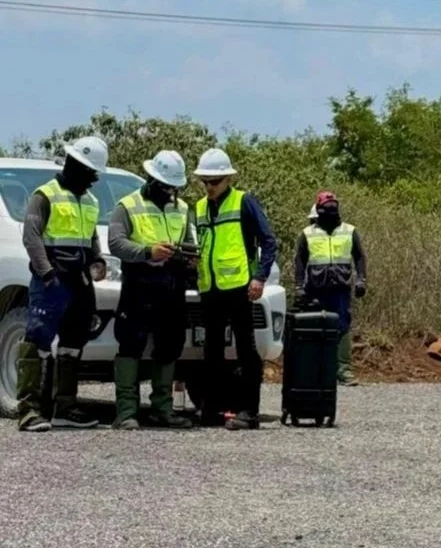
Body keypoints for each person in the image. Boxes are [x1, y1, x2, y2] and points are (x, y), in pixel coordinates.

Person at [17, 136, 109, 432]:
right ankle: (30, 411)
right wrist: (47, 274)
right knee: (37, 343)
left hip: (80, 283)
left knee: (73, 345)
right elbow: (31, 237)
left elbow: (91, 238)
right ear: (74, 165)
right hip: (51, 282)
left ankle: (65, 408)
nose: (93, 179)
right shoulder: (44, 195)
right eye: (90, 172)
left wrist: (98, 261)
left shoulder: (90, 201)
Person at [107, 150, 195, 430]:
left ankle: (163, 410)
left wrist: (190, 256)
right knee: (130, 344)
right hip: (139, 285)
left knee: (169, 346)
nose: (170, 191)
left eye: (174, 187)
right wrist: (148, 251)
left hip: (172, 285)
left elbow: (190, 240)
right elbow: (116, 244)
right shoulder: (128, 205)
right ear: (151, 179)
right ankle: (126, 412)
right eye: (165, 185)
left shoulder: (182, 209)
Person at [192, 148, 277, 431]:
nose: (209, 187)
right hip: (210, 287)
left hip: (239, 287)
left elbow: (268, 240)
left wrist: (260, 277)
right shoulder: (200, 207)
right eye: (204, 181)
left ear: (228, 179)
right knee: (212, 351)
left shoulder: (244, 202)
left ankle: (248, 411)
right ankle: (212, 409)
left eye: (214, 182)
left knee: (245, 349)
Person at [293, 191, 367, 386]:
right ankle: (318, 371)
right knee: (316, 328)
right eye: (326, 208)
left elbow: (359, 256)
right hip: (315, 289)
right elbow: (299, 261)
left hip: (340, 289)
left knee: (342, 327)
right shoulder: (307, 233)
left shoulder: (349, 231)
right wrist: (299, 287)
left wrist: (361, 280)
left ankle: (343, 370)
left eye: (333, 207)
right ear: (318, 210)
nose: (330, 211)